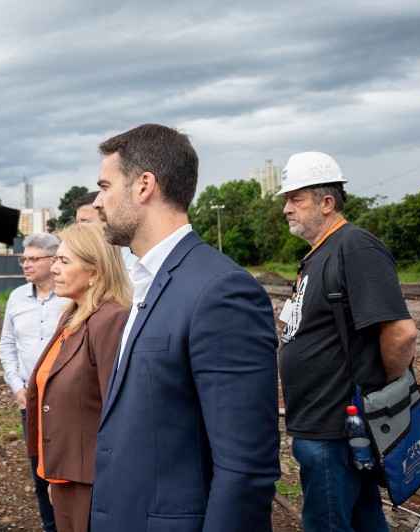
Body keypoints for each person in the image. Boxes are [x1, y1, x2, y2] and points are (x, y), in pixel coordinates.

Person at [88, 124, 280, 531]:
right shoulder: (146, 280)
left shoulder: (221, 291)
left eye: (105, 186)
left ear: (144, 186)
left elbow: (245, 469)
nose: (98, 202)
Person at [276, 152, 418, 531]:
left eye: (296, 199)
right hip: (324, 427)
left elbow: (401, 333)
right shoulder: (319, 253)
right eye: (286, 200)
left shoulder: (354, 246)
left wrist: (381, 390)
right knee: (363, 518)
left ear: (327, 203)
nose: (287, 208)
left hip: (336, 428)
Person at [26, 223, 130, 532]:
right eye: (55, 259)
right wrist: (53, 473)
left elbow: (119, 415)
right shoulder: (73, 314)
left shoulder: (111, 320)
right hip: (65, 475)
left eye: (63, 261)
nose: (54, 269)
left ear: (95, 273)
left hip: (94, 482)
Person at [0, 232, 67, 532]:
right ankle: (50, 526)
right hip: (30, 401)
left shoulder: (69, 298)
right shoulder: (16, 298)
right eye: (23, 259)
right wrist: (17, 387)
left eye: (32, 259)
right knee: (40, 472)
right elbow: (6, 345)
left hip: (65, 402)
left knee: (67, 470)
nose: (25, 264)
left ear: (53, 260)